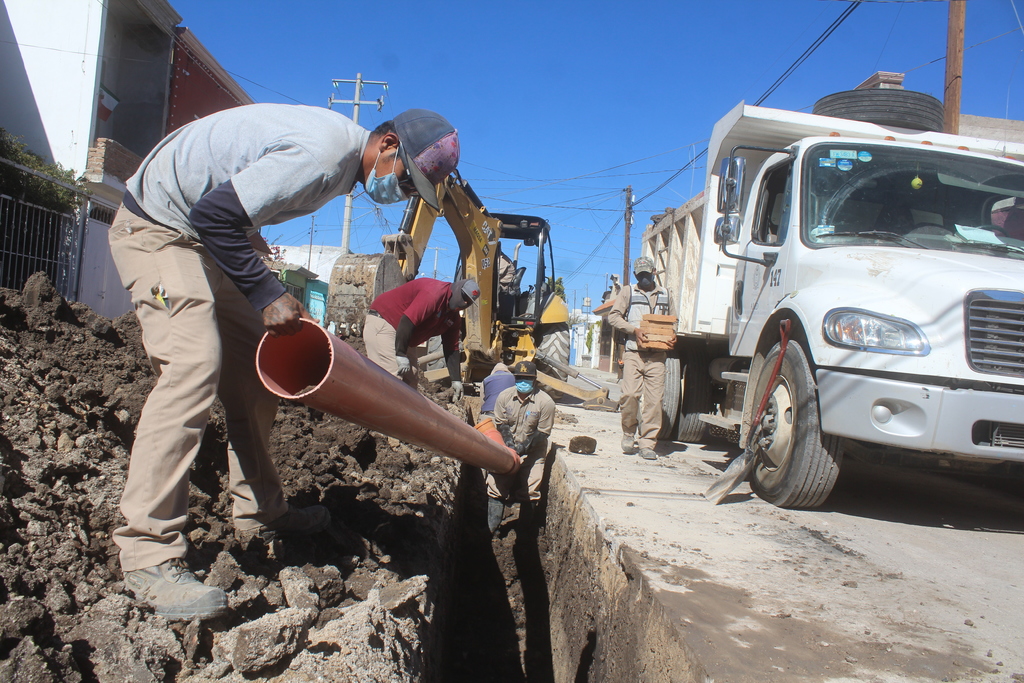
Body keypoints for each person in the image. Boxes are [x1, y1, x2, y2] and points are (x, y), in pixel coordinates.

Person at [108, 104, 460, 621]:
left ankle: (260, 510)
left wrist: (250, 244)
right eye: (407, 182)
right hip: (157, 231)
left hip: (199, 239)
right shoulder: (321, 157)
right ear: (386, 146)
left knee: (261, 367)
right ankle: (147, 551)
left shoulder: (338, 164)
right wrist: (267, 292)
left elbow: (225, 201)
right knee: (192, 365)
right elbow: (211, 215)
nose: (403, 195)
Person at [363, 277, 479, 399]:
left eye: (469, 301)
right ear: (456, 289)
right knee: (391, 378)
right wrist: (401, 354)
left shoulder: (452, 316)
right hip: (385, 321)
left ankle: (403, 416)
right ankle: (376, 415)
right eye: (464, 298)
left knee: (410, 381)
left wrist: (456, 380)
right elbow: (408, 320)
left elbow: (451, 347)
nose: (465, 303)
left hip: (404, 334)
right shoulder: (434, 294)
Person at [607, 256, 671, 461]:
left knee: (654, 402)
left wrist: (672, 335)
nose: (644, 278)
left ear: (654, 272)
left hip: (657, 356)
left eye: (647, 274)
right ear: (636, 275)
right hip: (634, 353)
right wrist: (633, 330)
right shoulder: (628, 292)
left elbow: (672, 321)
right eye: (640, 275)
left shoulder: (666, 294)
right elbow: (613, 317)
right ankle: (628, 432)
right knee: (630, 395)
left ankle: (647, 443)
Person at [485, 361, 555, 535]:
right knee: (495, 485)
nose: (523, 381)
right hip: (507, 448)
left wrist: (523, 448)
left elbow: (542, 434)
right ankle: (491, 531)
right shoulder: (504, 397)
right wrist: (509, 445)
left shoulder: (545, 402)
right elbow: (501, 424)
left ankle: (524, 535)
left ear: (535, 380)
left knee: (531, 488)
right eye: (520, 378)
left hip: (533, 451)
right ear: (515, 378)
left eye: (528, 378)